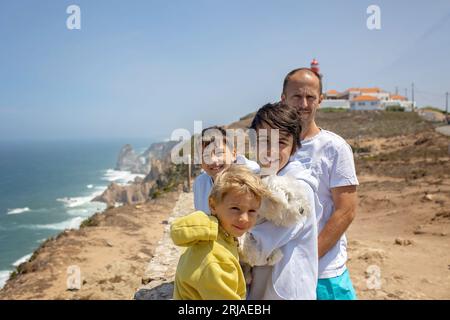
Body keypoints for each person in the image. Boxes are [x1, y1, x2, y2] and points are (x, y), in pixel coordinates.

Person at [281, 68, 359, 300]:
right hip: (282, 272)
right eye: (296, 96)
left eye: (310, 97)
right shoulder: (274, 147)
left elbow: (346, 211)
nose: (303, 103)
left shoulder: (335, 148)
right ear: (283, 98)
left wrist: (308, 258)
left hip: (324, 274)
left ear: (320, 100)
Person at [246, 102, 320, 300]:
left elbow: (258, 248)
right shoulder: (259, 177)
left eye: (281, 142)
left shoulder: (296, 191)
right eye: (264, 141)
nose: (270, 151)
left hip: (287, 291)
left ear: (294, 146)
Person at [171, 165, 270, 300]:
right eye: (235, 208)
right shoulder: (216, 260)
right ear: (212, 205)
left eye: (252, 211)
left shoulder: (216, 234)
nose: (244, 219)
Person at [193, 125, 259, 214]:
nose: (213, 160)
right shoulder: (200, 183)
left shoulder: (253, 177)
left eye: (219, 153)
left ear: (234, 154)